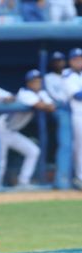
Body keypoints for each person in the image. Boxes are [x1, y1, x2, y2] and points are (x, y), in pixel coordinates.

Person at [0, 70, 53, 187]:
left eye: (38, 81)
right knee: (0, 160)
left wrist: (44, 104)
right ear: (28, 83)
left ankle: (23, 181)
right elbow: (40, 105)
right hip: (1, 129)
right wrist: (43, 104)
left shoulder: (41, 93)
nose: (37, 84)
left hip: (12, 131)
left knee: (33, 151)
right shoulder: (24, 93)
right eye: (34, 81)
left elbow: (51, 107)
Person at [63, 48, 82, 190]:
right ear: (71, 61)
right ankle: (80, 178)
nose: (79, 61)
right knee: (80, 148)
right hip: (78, 115)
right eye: (76, 59)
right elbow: (76, 95)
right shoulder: (68, 76)